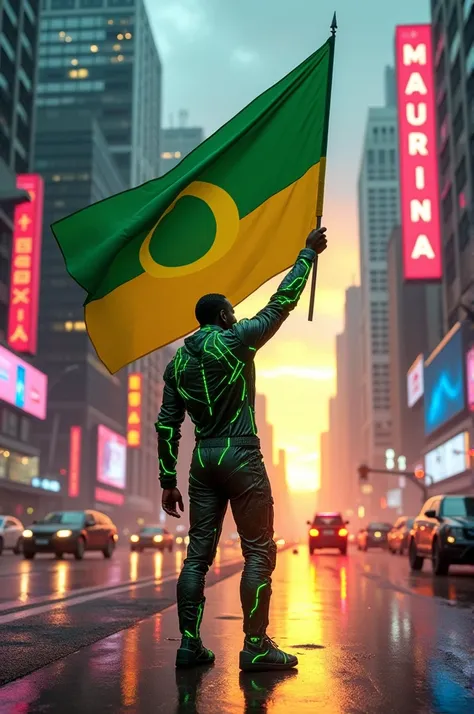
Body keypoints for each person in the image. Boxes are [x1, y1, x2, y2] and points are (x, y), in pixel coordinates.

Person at [156, 226, 328, 671]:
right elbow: (281, 304)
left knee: (197, 555)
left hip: (202, 460)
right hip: (241, 454)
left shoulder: (176, 363)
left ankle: (189, 644)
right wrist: (306, 255)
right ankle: (255, 645)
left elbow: (167, 424)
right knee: (258, 551)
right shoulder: (236, 340)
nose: (235, 316)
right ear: (225, 316)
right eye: (232, 311)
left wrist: (166, 482)